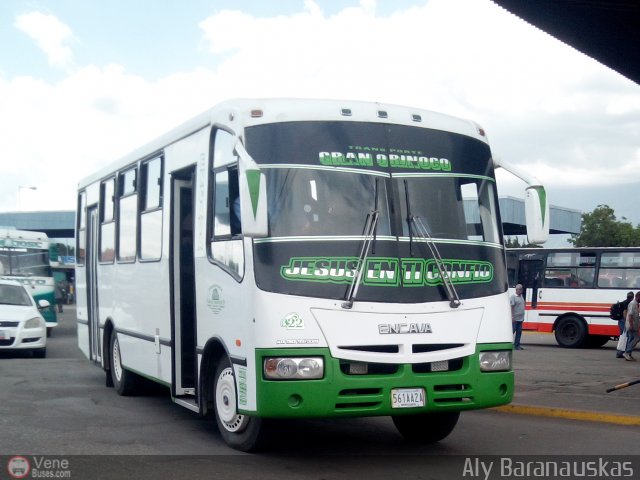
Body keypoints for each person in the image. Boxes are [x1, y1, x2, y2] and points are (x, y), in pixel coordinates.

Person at [615, 291, 634, 358]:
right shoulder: (628, 303)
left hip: (621, 321)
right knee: (625, 337)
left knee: (623, 337)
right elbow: (625, 312)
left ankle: (620, 352)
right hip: (624, 321)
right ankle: (620, 353)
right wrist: (627, 321)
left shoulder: (624, 302)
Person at [623, 291, 640, 361]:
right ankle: (627, 352)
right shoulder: (633, 304)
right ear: (638, 297)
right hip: (631, 325)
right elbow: (630, 315)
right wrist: (631, 325)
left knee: (631, 339)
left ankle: (629, 355)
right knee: (636, 338)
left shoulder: (636, 304)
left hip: (633, 324)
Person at [510, 284, 525, 350]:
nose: (520, 291)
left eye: (521, 289)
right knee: (511, 332)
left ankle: (517, 345)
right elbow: (511, 307)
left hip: (520, 319)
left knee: (519, 333)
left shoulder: (521, 296)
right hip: (515, 319)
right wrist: (512, 317)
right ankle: (509, 345)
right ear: (516, 290)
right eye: (519, 289)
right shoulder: (513, 297)